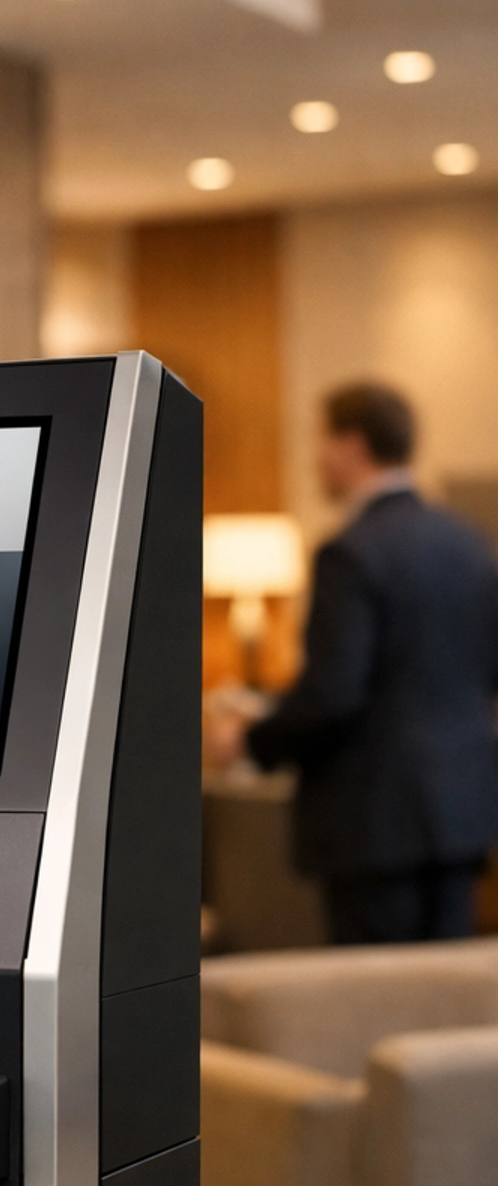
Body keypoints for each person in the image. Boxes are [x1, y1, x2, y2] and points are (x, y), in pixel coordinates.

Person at [212, 382, 498, 945]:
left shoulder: (350, 552)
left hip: (375, 823)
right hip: (461, 814)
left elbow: (334, 696)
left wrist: (249, 741)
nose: (316, 457)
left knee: (376, 1006)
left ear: (351, 444)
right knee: (446, 1006)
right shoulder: (470, 544)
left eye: (320, 439)